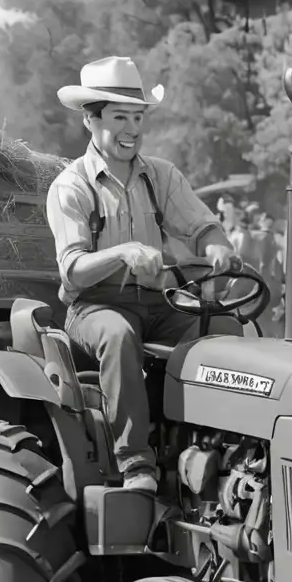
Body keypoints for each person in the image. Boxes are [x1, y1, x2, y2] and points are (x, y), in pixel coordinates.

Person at [45, 56, 241, 494]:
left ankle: (222, 449)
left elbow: (200, 225)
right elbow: (72, 270)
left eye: (138, 117)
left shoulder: (162, 176)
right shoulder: (71, 187)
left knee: (225, 328)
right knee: (118, 336)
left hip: (159, 304)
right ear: (90, 121)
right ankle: (136, 464)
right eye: (120, 118)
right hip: (94, 308)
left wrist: (217, 246)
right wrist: (124, 253)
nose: (132, 129)